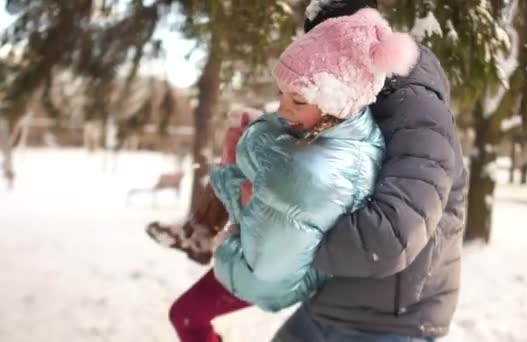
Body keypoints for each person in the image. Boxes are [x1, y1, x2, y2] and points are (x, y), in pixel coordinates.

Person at [168, 7, 420, 342]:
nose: (283, 109)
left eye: (297, 100)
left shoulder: (316, 172)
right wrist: (244, 169)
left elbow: (267, 273)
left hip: (267, 274)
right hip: (273, 255)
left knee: (186, 315)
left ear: (337, 100)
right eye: (281, 95)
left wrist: (239, 203)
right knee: (187, 314)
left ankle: (200, 233)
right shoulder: (329, 130)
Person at [270, 1, 469, 341]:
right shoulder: (349, 106)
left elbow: (389, 237)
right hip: (332, 302)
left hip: (390, 322)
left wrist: (282, 239)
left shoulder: (416, 109)